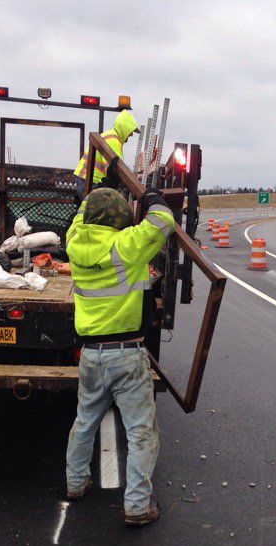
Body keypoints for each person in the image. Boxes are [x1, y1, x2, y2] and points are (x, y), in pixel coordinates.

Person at [64, 186, 174, 526]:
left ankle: (76, 483)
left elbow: (80, 215)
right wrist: (152, 197)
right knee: (141, 432)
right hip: (126, 355)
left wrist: (99, 190)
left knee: (85, 422)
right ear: (118, 223)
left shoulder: (73, 243)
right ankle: (138, 506)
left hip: (91, 355)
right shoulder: (125, 248)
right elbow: (163, 221)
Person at [73, 110, 139, 198]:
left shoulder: (112, 137)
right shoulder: (113, 140)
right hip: (89, 182)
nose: (131, 135)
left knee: (93, 209)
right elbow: (115, 170)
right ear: (125, 128)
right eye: (131, 131)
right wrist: (132, 183)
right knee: (99, 208)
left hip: (86, 180)